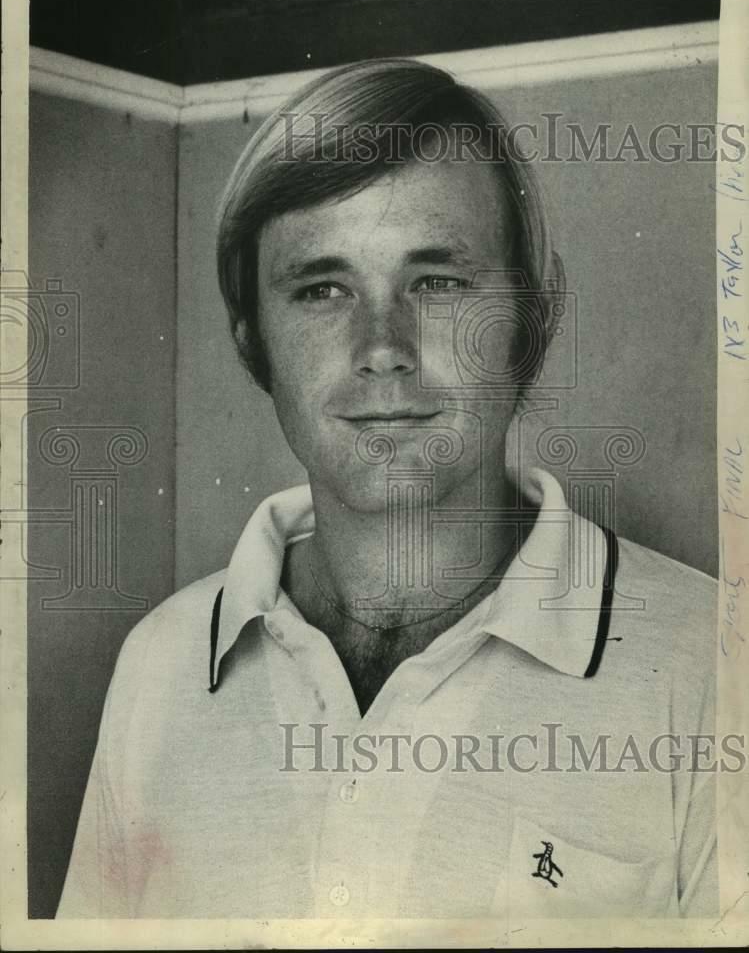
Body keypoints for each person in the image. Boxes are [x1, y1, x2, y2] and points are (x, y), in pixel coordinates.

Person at [57, 58, 718, 919]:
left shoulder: (715, 669)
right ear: (252, 337)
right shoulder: (159, 663)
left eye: (437, 283)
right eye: (323, 288)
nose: (382, 347)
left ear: (534, 316)